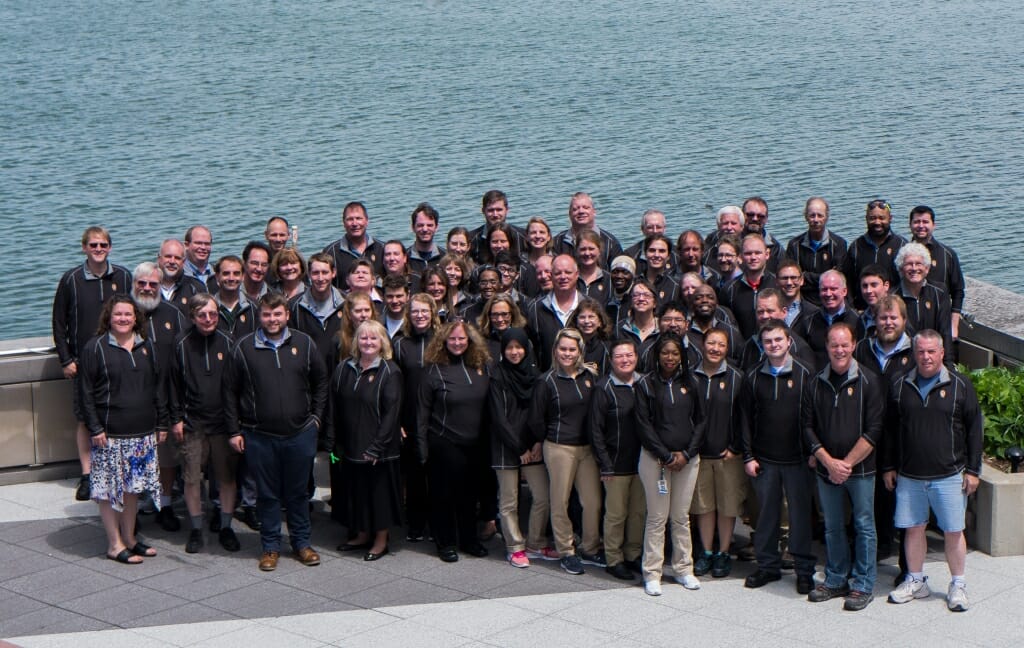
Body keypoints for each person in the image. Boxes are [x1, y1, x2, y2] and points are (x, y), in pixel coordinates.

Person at [224, 293, 328, 572]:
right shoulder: (243, 347)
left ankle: (301, 543)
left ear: (287, 315)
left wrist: (316, 419)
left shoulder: (304, 344)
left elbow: (320, 383)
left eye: (278, 314)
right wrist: (234, 431)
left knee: (297, 494)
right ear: (260, 316)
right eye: (267, 315)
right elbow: (230, 392)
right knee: (267, 495)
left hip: (300, 433)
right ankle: (270, 547)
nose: (273, 319)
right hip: (259, 435)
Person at [883, 330, 982, 612]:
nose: (926, 357)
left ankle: (958, 584)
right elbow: (891, 431)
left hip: (949, 475)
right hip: (910, 476)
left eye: (931, 352)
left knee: (953, 531)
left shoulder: (961, 385)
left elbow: (975, 430)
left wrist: (973, 470)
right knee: (914, 529)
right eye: (921, 352)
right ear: (914, 354)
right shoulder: (900, 385)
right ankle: (916, 580)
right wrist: (889, 466)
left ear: (941, 353)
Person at [79, 295, 166, 564]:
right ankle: (114, 544)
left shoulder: (147, 346)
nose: (123, 319)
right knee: (108, 491)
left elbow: (158, 388)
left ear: (136, 318)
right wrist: (95, 428)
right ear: (109, 317)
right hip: (109, 435)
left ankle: (129, 538)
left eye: (128, 314)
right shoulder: (95, 348)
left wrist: (161, 422)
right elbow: (85, 393)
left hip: (141, 434)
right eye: (118, 314)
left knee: (132, 489)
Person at [803, 323, 883, 611]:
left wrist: (846, 464)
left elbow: (874, 430)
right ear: (827, 347)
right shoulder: (815, 382)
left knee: (864, 526)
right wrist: (827, 461)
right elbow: (808, 427)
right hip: (826, 470)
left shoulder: (870, 381)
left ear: (853, 345)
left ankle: (863, 584)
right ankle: (836, 578)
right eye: (834, 345)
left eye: (844, 344)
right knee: (833, 527)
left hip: (859, 471)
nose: (839, 350)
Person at [52, 226, 133, 501]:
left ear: (110, 248)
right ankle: (87, 475)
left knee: (117, 416)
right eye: (93, 245)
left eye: (103, 245)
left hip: (118, 359)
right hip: (83, 362)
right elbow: (59, 322)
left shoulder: (123, 276)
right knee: (86, 418)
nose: (98, 250)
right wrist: (66, 359)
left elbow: (134, 318)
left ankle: (116, 469)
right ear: (84, 247)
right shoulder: (71, 280)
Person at [741, 320, 816, 594]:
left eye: (778, 340)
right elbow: (745, 419)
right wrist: (748, 456)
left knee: (800, 518)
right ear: (762, 345)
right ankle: (767, 566)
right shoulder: (752, 376)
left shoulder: (807, 373)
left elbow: (813, 417)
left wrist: (812, 453)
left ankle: (804, 570)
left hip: (798, 460)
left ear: (788, 341)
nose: (773, 345)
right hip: (765, 460)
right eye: (768, 341)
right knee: (767, 517)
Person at [169, 293, 241, 554]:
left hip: (223, 424)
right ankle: (197, 528)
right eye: (202, 315)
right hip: (192, 424)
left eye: (212, 314)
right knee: (191, 479)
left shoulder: (229, 341)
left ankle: (225, 526)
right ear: (192, 317)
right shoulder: (181, 343)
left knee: (227, 479)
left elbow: (236, 386)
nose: (208, 319)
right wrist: (175, 418)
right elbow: (173, 384)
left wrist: (236, 425)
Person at [635, 333, 706, 595]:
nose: (670, 357)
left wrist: (687, 454)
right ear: (657, 355)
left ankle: (683, 569)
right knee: (657, 518)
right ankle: (652, 572)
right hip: (655, 461)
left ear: (682, 356)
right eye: (665, 352)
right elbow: (643, 425)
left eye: (675, 353)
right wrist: (665, 455)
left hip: (687, 460)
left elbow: (701, 421)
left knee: (680, 517)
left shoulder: (693, 382)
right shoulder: (646, 384)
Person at [416, 319, 492, 563]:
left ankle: (469, 539)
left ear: (470, 340)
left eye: (461, 338)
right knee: (443, 497)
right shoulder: (433, 371)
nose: (457, 343)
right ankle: (445, 542)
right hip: (444, 443)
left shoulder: (480, 367)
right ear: (443, 341)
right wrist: (422, 449)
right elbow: (422, 414)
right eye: (452, 339)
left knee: (470, 496)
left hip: (476, 444)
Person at [529, 328, 603, 575]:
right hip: (559, 447)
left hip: (587, 449)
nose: (567, 353)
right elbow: (536, 419)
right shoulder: (546, 381)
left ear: (580, 351)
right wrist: (542, 441)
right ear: (555, 351)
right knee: (559, 501)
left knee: (592, 501)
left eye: (572, 349)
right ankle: (566, 551)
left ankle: (590, 548)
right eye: (563, 349)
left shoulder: (589, 377)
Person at [327, 320, 403, 562]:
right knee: (356, 493)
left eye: (373, 338)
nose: (368, 343)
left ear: (382, 343)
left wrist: (377, 447)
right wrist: (333, 441)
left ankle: (380, 541)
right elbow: (333, 406)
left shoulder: (391, 372)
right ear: (356, 342)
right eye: (363, 338)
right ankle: (361, 534)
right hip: (349, 445)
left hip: (378, 449)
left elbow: (392, 414)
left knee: (378, 497)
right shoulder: (343, 369)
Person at [488, 328, 552, 568]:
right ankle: (514, 547)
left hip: (533, 445)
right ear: (503, 350)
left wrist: (537, 442)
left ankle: (536, 542)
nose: (515, 352)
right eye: (509, 348)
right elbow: (499, 418)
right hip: (507, 445)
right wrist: (519, 448)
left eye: (519, 347)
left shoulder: (535, 375)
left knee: (543, 497)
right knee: (508, 501)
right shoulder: (497, 375)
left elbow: (541, 413)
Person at [132, 262, 187, 533]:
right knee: (133, 460)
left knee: (166, 460)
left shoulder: (174, 314)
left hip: (166, 401)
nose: (147, 288)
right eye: (142, 283)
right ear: (134, 285)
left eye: (153, 284)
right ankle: (132, 510)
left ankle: (164, 506)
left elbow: (183, 358)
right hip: (132, 404)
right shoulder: (122, 316)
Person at [691, 328, 746, 579]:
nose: (715, 348)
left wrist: (735, 448)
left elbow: (745, 417)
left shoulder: (736, 377)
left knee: (726, 506)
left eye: (720, 345)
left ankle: (724, 552)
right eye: (711, 343)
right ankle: (707, 552)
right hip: (699, 456)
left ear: (727, 348)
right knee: (704, 507)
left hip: (727, 456)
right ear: (703, 345)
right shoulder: (690, 376)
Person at [589, 338, 645, 581]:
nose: (625, 360)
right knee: (616, 514)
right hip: (615, 464)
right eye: (620, 356)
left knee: (638, 513)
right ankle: (614, 558)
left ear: (636, 357)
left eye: (629, 355)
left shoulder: (645, 384)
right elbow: (596, 430)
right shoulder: (603, 388)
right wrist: (605, 463)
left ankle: (633, 555)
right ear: (611, 361)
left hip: (643, 464)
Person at [393, 293, 440, 542]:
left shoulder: (442, 341)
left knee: (438, 472)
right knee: (414, 473)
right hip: (410, 418)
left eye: (425, 311)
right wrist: (397, 420)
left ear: (433, 313)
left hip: (439, 417)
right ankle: (416, 522)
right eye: (415, 311)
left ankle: (438, 520)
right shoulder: (400, 344)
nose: (420, 315)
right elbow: (394, 385)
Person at [909, 205, 965, 339]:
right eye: (916, 222)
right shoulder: (902, 254)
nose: (921, 226)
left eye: (925, 222)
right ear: (910, 225)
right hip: (910, 321)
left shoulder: (947, 255)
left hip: (940, 321)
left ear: (934, 225)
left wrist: (954, 325)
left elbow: (958, 291)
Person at [894, 242, 954, 360]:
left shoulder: (939, 292)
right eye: (909, 264)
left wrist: (948, 363)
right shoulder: (893, 296)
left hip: (932, 358)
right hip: (904, 359)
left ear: (927, 269)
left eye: (918, 264)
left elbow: (945, 331)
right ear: (901, 269)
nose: (914, 268)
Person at [843, 199, 906, 309]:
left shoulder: (902, 246)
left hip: (894, 310)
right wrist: (852, 308)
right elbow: (848, 281)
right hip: (862, 310)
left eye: (882, 218)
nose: (877, 222)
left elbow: (907, 281)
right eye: (872, 218)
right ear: (866, 219)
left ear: (890, 219)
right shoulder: (856, 247)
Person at [785, 197, 847, 307]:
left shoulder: (839, 244)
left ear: (827, 217)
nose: (816, 220)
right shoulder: (794, 245)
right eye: (812, 215)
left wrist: (805, 276)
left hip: (830, 300)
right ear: (806, 217)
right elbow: (793, 278)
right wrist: (825, 276)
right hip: (803, 302)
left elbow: (838, 277)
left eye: (820, 215)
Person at [525, 254, 584, 371]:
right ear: (551, 276)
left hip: (583, 379)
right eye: (557, 273)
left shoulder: (589, 306)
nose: (563, 277)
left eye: (568, 272)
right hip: (548, 379)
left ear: (577, 275)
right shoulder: (535, 309)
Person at [290, 252, 346, 371]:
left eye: (325, 272)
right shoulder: (294, 306)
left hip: (340, 371)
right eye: (315, 273)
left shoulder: (347, 303)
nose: (320, 278)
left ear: (333, 273)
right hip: (308, 372)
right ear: (309, 274)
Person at [798, 270, 861, 370]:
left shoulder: (857, 321)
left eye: (833, 289)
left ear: (844, 291)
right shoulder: (808, 322)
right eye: (824, 289)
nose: (828, 294)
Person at [738, 288, 815, 370]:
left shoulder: (800, 348)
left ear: (784, 312)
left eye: (770, 311)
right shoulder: (749, 345)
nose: (765, 316)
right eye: (760, 312)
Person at [719, 234, 776, 340]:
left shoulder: (778, 284)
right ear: (740, 257)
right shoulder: (729, 290)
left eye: (758, 253)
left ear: (767, 254)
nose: (753, 257)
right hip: (744, 350)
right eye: (748, 253)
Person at [552, 192, 623, 268]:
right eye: (575, 209)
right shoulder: (557, 242)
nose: (581, 211)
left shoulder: (610, 243)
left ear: (594, 212)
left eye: (586, 207)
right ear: (569, 214)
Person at [323, 201, 385, 287]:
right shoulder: (331, 252)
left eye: (359, 218)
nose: (355, 223)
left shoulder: (382, 249)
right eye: (350, 219)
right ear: (344, 223)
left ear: (367, 221)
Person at [469, 190, 527, 264]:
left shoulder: (522, 236)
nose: (495, 214)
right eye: (490, 210)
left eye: (499, 210)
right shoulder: (471, 239)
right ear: (483, 211)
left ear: (507, 210)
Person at [212, 255, 258, 341]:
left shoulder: (255, 307)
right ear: (217, 277)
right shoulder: (208, 307)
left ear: (243, 276)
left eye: (236, 273)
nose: (231, 278)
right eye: (226, 273)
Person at [157, 238, 207, 314]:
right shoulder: (147, 286)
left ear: (183, 262)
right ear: (159, 258)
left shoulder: (196, 287)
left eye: (177, 258)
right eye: (168, 256)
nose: (172, 261)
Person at [568, 298, 612, 375]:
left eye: (591, 317)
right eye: (582, 317)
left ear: (600, 322)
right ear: (576, 322)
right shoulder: (568, 346)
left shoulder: (607, 349)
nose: (586, 321)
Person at [739, 197, 783, 273]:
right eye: (750, 214)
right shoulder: (730, 243)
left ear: (766, 219)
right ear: (742, 215)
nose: (755, 219)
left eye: (760, 216)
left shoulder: (775, 248)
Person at [775, 259, 819, 330]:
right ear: (776, 281)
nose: (789, 282)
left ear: (802, 280)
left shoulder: (813, 313)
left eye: (793, 278)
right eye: (784, 278)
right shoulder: (769, 311)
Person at [640, 235, 681, 307]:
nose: (656, 255)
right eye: (652, 250)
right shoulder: (634, 283)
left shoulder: (676, 287)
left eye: (662, 251)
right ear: (645, 254)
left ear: (668, 256)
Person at [703, 205, 745, 273]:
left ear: (742, 227)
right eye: (725, 223)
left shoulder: (749, 249)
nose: (729, 228)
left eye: (733, 223)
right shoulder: (708, 253)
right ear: (718, 226)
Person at [575, 229, 612, 302]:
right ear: (576, 251)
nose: (587, 253)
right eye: (583, 249)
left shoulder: (609, 280)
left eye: (591, 249)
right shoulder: (571, 278)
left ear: (599, 250)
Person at [407, 202, 445, 273]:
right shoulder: (405, 259)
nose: (425, 229)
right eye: (420, 225)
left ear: (436, 227)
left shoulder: (445, 257)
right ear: (413, 227)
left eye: (429, 225)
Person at [856, 265, 892, 339]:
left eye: (874, 285)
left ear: (886, 286)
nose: (869, 291)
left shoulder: (898, 314)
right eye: (865, 286)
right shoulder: (861, 319)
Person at [606, 255, 636, 325]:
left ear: (632, 276)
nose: (619, 276)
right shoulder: (608, 302)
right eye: (615, 272)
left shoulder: (636, 300)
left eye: (625, 272)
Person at [381, 274, 410, 339]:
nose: (394, 301)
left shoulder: (415, 325)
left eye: (399, 296)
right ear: (383, 297)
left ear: (408, 295)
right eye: (390, 296)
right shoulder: (376, 325)